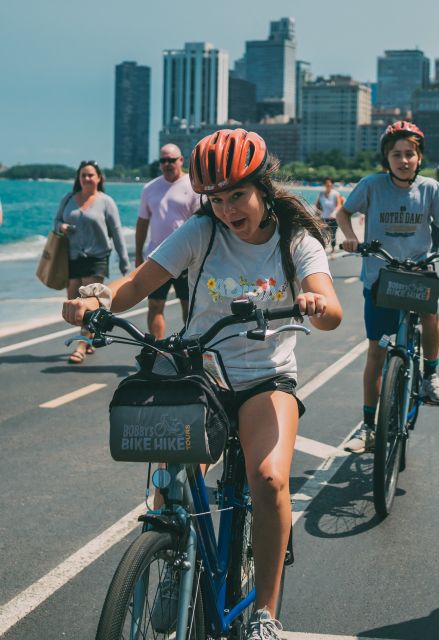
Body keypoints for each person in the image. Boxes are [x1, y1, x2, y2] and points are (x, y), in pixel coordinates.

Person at [62, 129, 343, 639]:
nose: (229, 209)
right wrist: (95, 302)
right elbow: (136, 286)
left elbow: (330, 304)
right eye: (216, 198)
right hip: (202, 372)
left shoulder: (295, 239)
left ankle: (265, 615)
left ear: (262, 187)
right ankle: (172, 552)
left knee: (270, 480)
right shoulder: (200, 232)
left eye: (238, 195)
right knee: (167, 473)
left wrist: (316, 304)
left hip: (265, 378)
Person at [336, 120, 439, 452]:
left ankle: (430, 375)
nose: (403, 160)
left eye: (410, 154)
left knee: (430, 315)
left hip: (417, 272)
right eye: (396, 154)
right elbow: (343, 213)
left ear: (419, 158)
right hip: (379, 276)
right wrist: (349, 237)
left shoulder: (431, 189)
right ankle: (369, 426)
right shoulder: (372, 185)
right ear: (386, 158)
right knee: (377, 351)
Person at [55, 160, 130, 364]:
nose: (87, 178)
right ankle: (88, 337)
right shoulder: (68, 198)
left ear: (98, 178)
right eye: (83, 175)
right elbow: (55, 222)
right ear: (78, 178)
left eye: (90, 175)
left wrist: (124, 263)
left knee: (86, 304)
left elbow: (116, 233)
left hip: (97, 257)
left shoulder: (106, 202)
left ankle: (81, 345)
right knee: (72, 300)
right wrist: (61, 227)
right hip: (73, 258)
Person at [136, 144, 199, 339]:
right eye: (163, 160)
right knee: (155, 305)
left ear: (181, 160)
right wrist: (138, 255)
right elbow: (142, 223)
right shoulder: (150, 188)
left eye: (171, 160)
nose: (167, 164)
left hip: (186, 260)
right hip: (157, 258)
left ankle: (190, 348)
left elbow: (200, 225)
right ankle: (159, 350)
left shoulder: (193, 186)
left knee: (189, 307)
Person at [314, 177, 344, 259]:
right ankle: (322, 251)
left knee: (332, 235)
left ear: (332, 184)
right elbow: (317, 205)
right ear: (324, 184)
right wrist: (316, 215)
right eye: (326, 184)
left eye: (329, 183)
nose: (328, 185)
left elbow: (339, 205)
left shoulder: (335, 194)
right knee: (323, 235)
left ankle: (333, 251)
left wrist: (334, 213)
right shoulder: (321, 194)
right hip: (323, 218)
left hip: (333, 218)